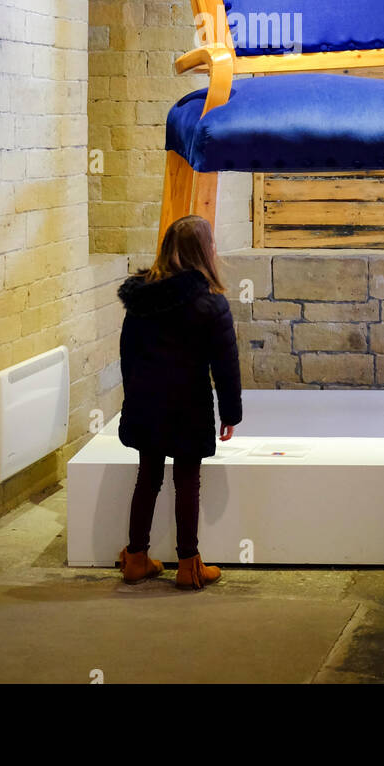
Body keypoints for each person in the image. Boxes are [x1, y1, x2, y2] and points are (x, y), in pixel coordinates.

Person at [115, 214, 242, 591]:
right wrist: (231, 412)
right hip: (187, 404)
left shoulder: (141, 297)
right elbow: (226, 365)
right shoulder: (209, 302)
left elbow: (127, 354)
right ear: (204, 251)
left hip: (146, 402)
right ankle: (189, 565)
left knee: (148, 478)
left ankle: (136, 557)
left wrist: (132, 396)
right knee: (187, 481)